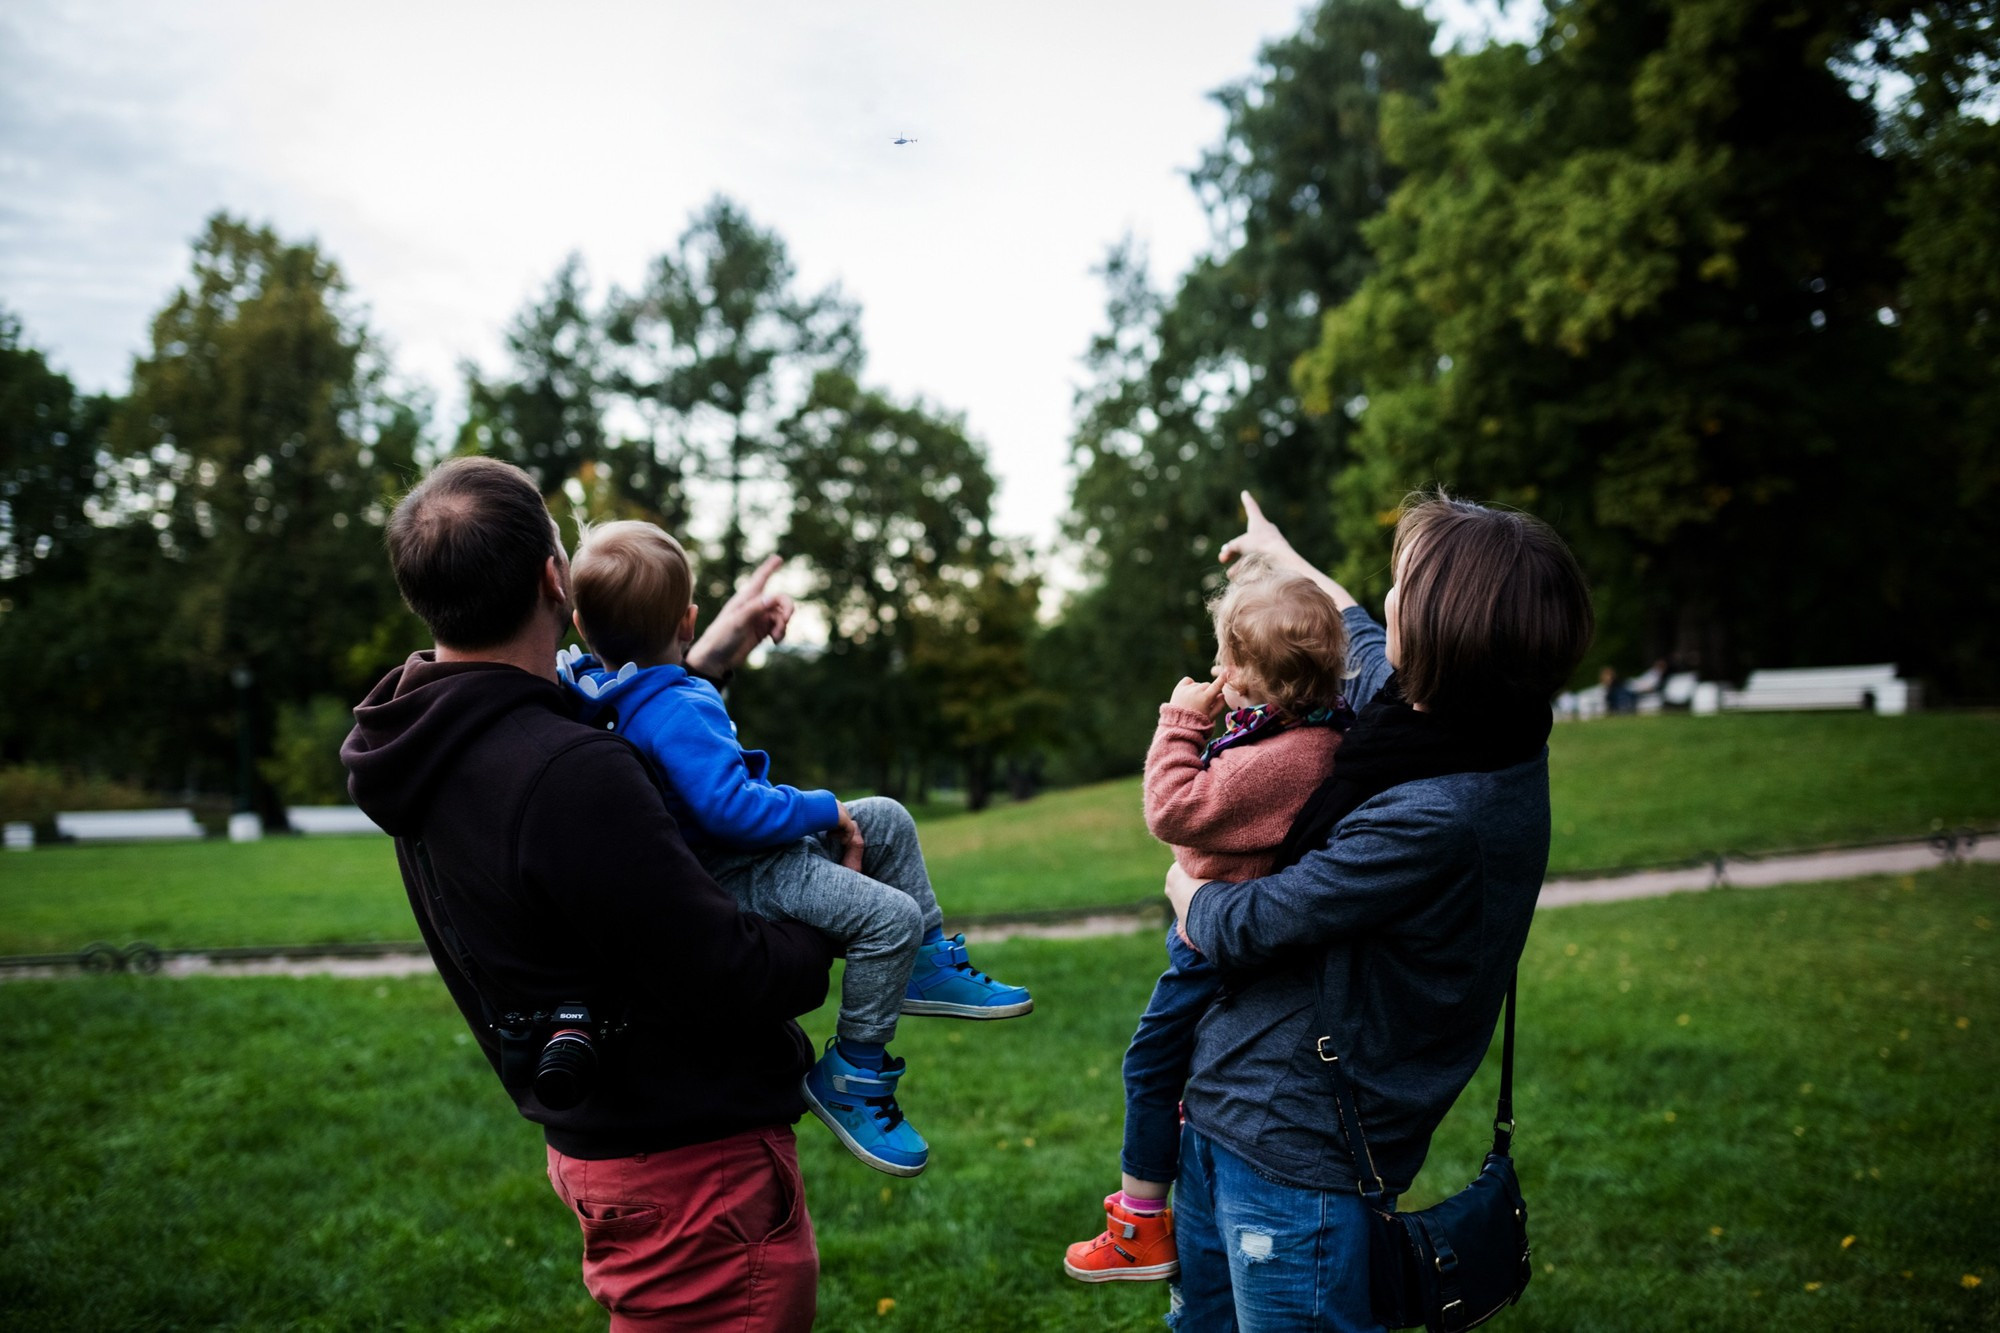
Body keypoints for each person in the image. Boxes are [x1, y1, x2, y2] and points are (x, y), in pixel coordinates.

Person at [342, 458, 835, 1332]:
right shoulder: (569, 775)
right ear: (553, 579)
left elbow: (605, 719)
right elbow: (734, 971)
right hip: (695, 1169)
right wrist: (842, 903)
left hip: (613, 1147)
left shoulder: (434, 733)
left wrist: (704, 651)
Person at [1162, 490, 1592, 1330]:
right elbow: (1353, 620)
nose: (1384, 595)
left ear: (1437, 633)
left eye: (1405, 582)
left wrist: (1181, 885)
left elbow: (1247, 926)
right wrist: (1278, 555)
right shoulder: (1453, 714)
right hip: (1226, 1107)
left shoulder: (1441, 810)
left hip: (1296, 1152)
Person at [554, 519, 1033, 1179]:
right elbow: (730, 808)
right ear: (689, 620)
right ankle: (853, 1074)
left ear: (581, 625)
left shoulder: (602, 690)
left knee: (887, 817)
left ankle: (924, 964)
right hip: (743, 871)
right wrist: (819, 807)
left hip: (745, 849)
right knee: (886, 916)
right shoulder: (676, 708)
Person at [1063, 561, 1353, 1284]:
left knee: (1150, 1059)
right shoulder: (1312, 734)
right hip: (1222, 921)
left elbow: (1172, 809)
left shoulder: (1286, 757)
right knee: (1178, 1061)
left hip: (1210, 938)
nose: (1217, 670)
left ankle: (1138, 1224)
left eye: (1228, 657)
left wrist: (1181, 720)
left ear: (1258, 679)